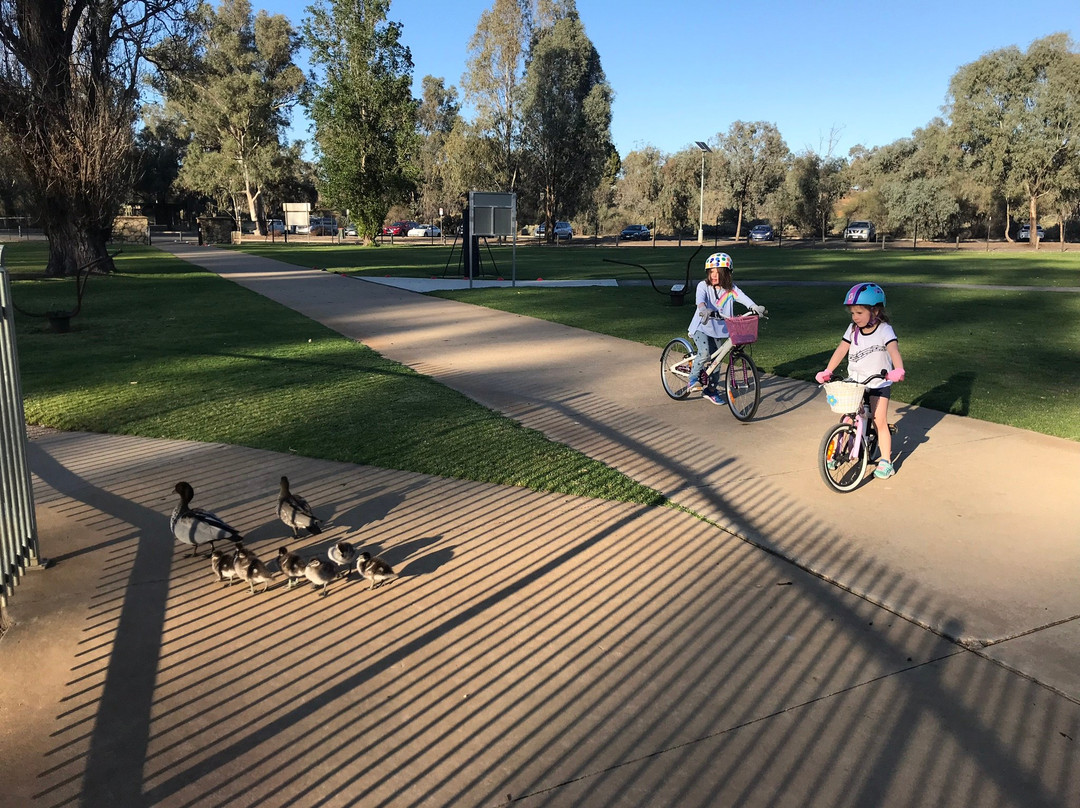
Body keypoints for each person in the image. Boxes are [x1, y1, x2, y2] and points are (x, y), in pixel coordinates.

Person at [815, 282, 906, 479]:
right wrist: (828, 371)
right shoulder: (852, 329)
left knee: (879, 420)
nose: (855, 317)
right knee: (847, 417)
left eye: (859, 312)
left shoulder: (884, 330)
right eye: (852, 313)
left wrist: (898, 369)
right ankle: (836, 451)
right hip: (856, 383)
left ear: (875, 311)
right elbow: (841, 349)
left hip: (879, 383)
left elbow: (893, 350)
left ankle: (886, 461)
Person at [686, 252, 766, 405]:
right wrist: (703, 309)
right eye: (711, 272)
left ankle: (710, 390)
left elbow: (742, 297)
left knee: (717, 361)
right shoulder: (703, 286)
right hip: (701, 326)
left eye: (718, 272)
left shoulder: (730, 289)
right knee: (704, 353)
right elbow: (700, 300)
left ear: (727, 274)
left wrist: (754, 307)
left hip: (718, 330)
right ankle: (693, 378)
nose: (714, 275)